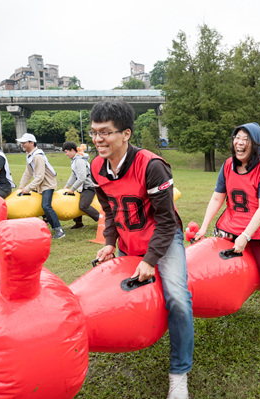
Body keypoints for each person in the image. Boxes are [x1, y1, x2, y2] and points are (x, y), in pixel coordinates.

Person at [90, 101, 193, 399]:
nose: (98, 139)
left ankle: (179, 372)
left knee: (178, 298)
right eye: (95, 132)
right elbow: (109, 211)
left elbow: (166, 221)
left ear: (125, 134)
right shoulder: (97, 165)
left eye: (105, 132)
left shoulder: (152, 165)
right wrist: (109, 242)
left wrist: (150, 260)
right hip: (127, 240)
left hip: (163, 238)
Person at [194, 122, 260, 347]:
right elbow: (217, 198)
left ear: (256, 144)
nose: (239, 143)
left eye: (245, 139)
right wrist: (203, 227)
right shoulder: (228, 165)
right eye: (237, 138)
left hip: (259, 229)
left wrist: (246, 237)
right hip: (232, 225)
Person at [17, 133, 65, 240]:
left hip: (47, 184)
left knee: (46, 206)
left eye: (24, 142)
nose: (22, 145)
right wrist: (21, 187)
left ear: (32, 143)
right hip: (40, 185)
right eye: (22, 143)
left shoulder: (38, 156)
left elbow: (39, 177)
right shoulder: (30, 155)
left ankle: (59, 230)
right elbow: (28, 173)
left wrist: (27, 188)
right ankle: (42, 226)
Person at [62, 142, 100, 229]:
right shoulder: (75, 160)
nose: (66, 154)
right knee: (76, 203)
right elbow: (74, 175)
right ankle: (79, 223)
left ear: (72, 150)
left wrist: (73, 189)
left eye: (66, 151)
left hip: (89, 187)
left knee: (83, 206)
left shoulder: (79, 161)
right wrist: (67, 186)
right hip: (83, 187)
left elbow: (82, 178)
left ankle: (104, 220)